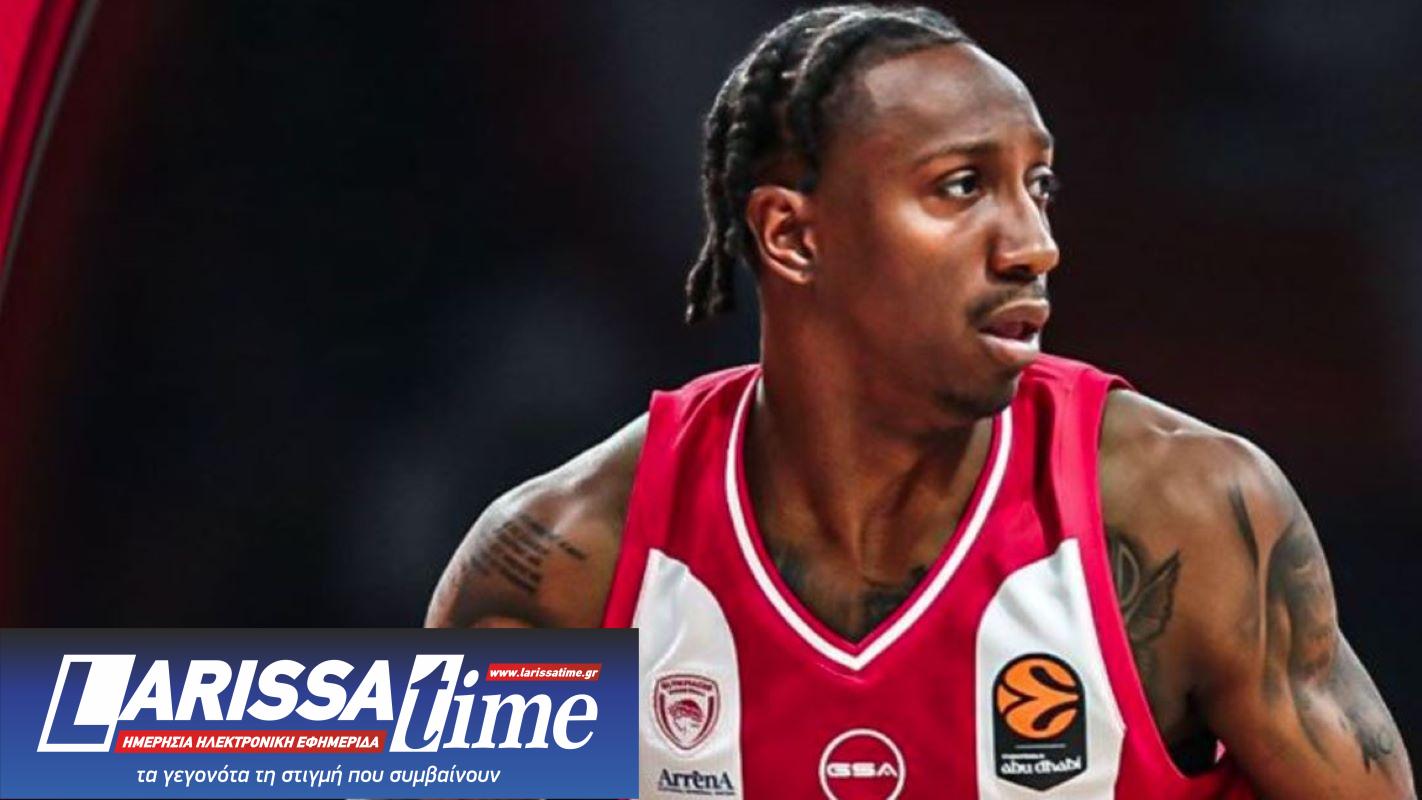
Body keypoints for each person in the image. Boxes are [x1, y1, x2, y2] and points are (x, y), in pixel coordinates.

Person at [427, 5, 1414, 797]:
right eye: (962, 187)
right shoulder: (570, 558)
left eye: (1037, 187)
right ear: (792, 236)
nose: (1033, 244)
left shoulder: (1184, 510)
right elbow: (351, 745)